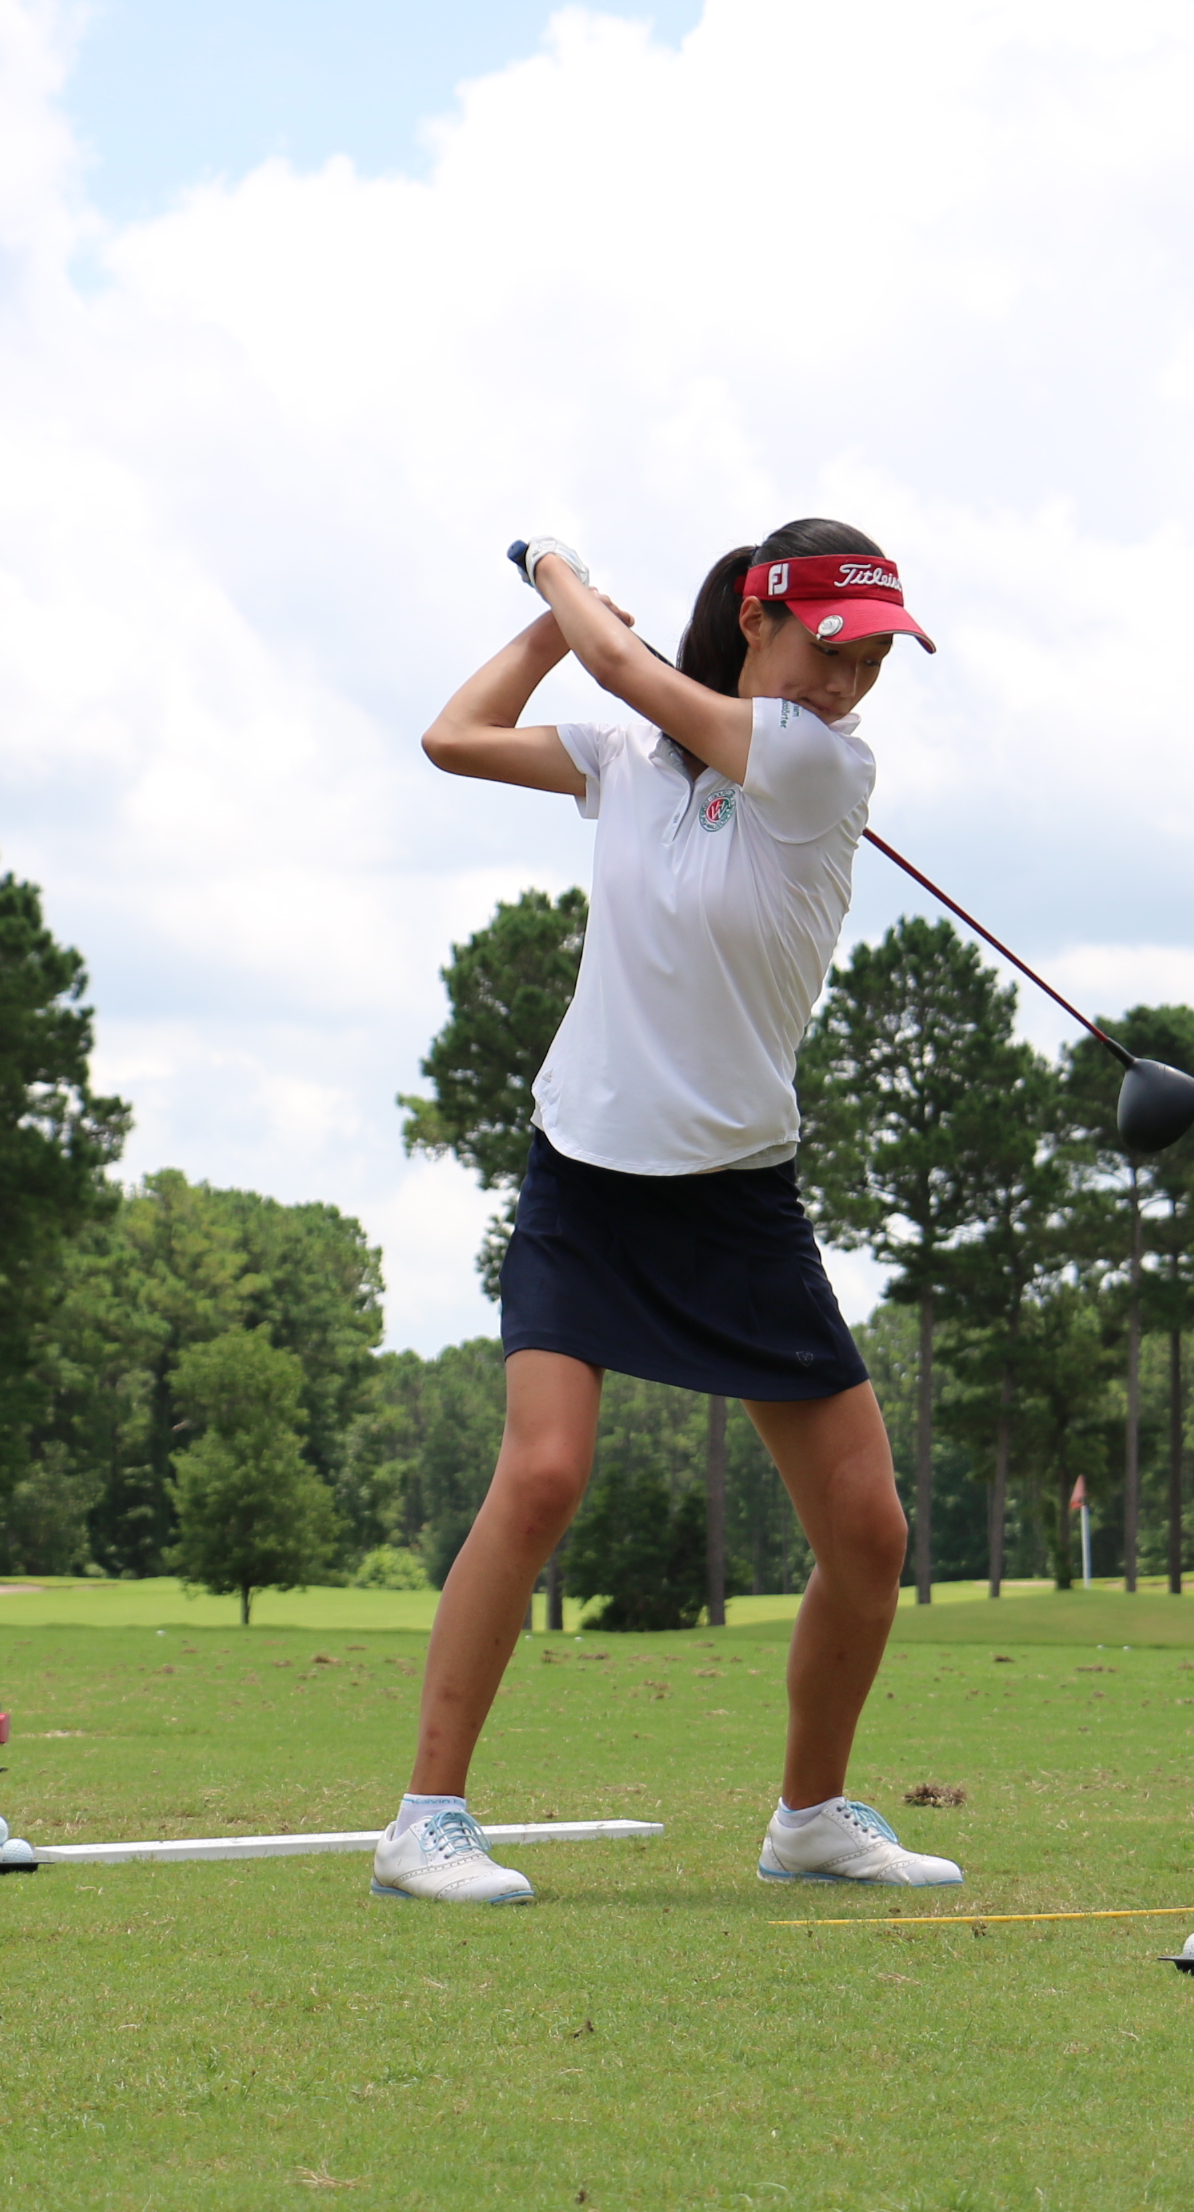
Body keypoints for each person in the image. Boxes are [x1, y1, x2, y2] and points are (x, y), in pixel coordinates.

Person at [373, 521, 960, 1904]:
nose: (850, 683)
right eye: (831, 649)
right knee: (543, 1474)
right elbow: (456, 738)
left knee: (869, 1533)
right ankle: (424, 1822)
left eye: (874, 659)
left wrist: (552, 567)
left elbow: (631, 672)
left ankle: (809, 1817)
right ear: (757, 620)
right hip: (587, 1171)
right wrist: (553, 621)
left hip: (737, 1198)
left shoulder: (822, 764)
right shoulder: (629, 761)